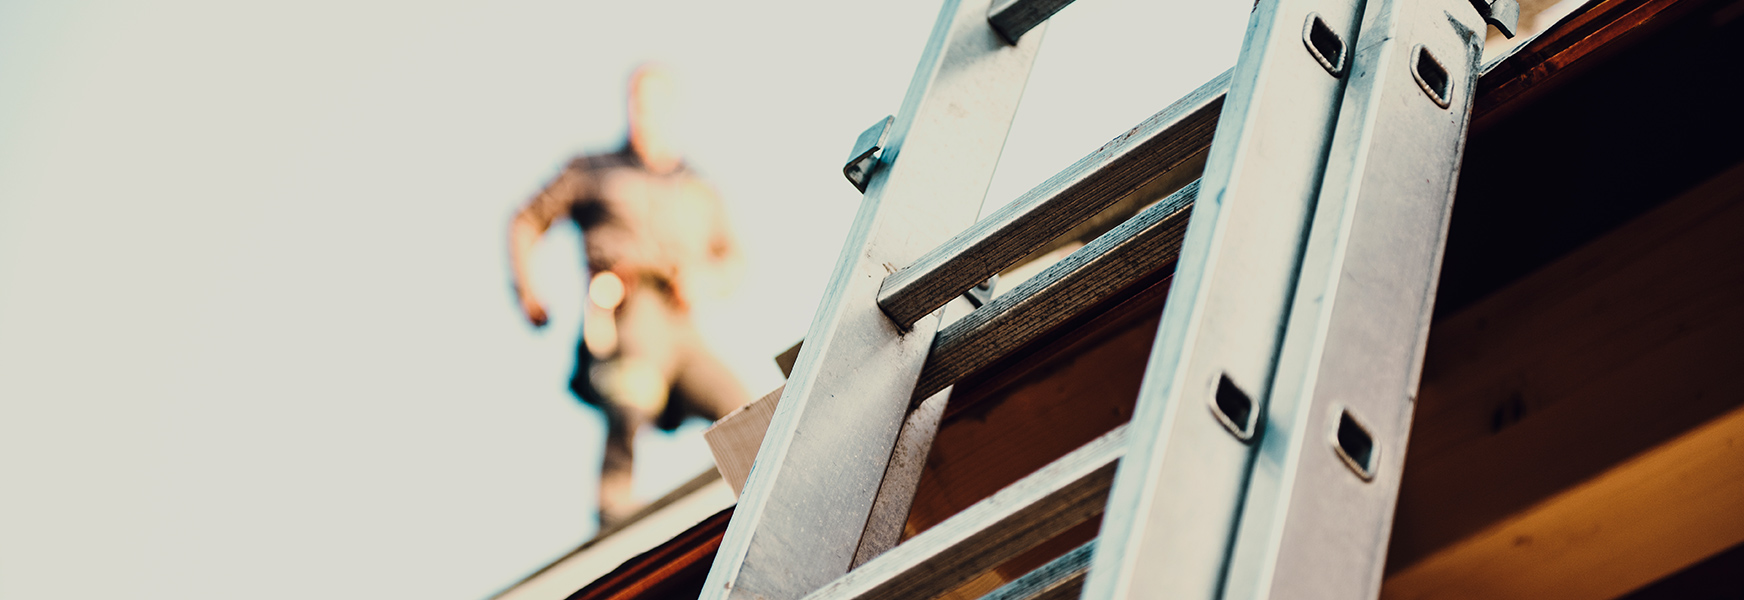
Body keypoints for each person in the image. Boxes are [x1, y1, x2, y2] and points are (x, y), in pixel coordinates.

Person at [508, 64, 750, 530]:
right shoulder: (593, 171)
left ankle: (761, 493)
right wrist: (528, 291)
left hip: (681, 323)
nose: (644, 114)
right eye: (637, 103)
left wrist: (705, 279)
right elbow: (525, 221)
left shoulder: (697, 188)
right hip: (627, 311)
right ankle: (614, 512)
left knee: (739, 405)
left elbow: (734, 260)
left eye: (654, 105)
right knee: (632, 390)